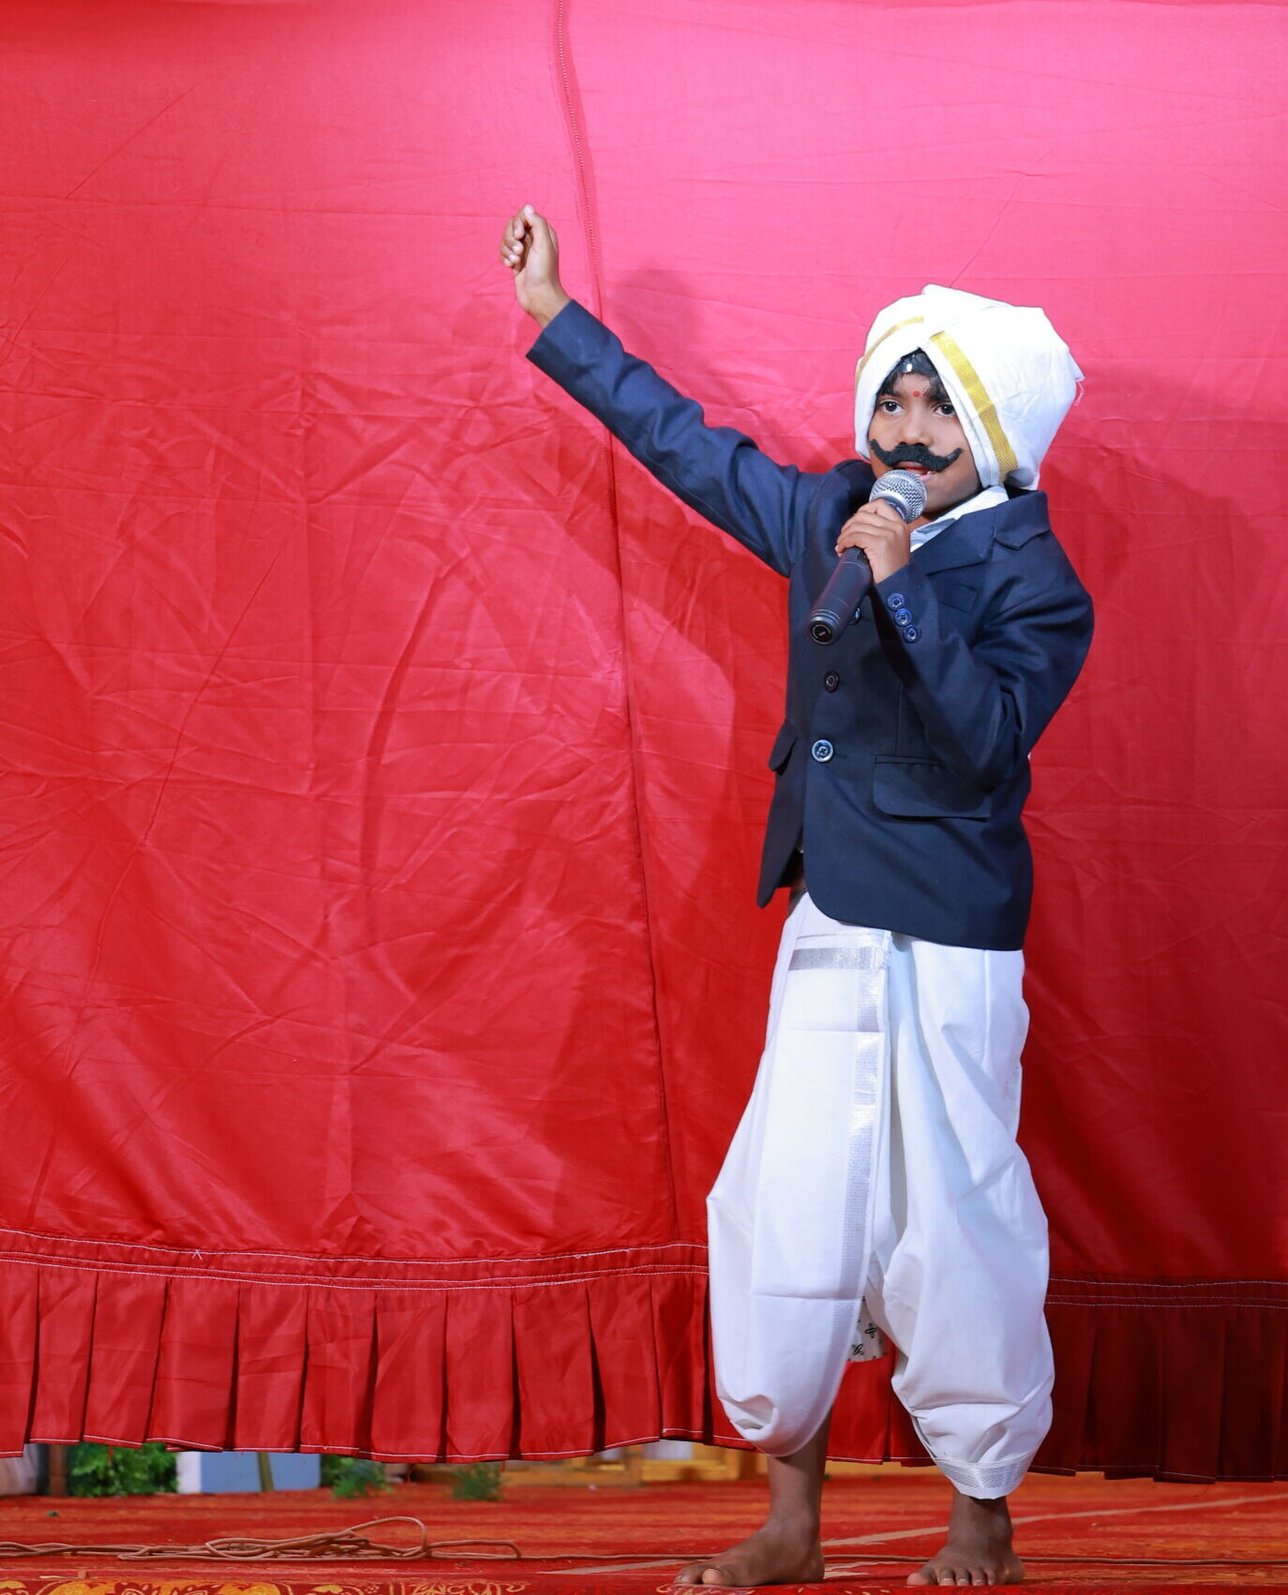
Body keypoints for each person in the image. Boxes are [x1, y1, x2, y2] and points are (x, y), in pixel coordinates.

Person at [501, 204, 1092, 1587]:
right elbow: (689, 450)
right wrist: (553, 317)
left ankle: (981, 1517)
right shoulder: (830, 513)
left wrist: (903, 587)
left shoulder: (1038, 583)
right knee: (793, 1203)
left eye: (938, 410)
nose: (905, 432)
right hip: (832, 920)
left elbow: (987, 744)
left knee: (954, 1222)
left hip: (950, 940)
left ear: (997, 432)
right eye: (892, 400)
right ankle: (792, 1525)